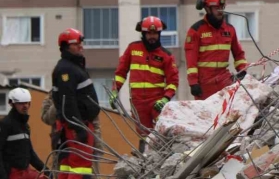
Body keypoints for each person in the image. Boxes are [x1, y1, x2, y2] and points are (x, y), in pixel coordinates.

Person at [110, 16, 178, 148]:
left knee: (163, 131)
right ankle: (145, 160)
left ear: (159, 34)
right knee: (143, 134)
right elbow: (121, 72)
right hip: (138, 101)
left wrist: (165, 98)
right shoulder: (132, 49)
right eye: (149, 33)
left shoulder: (166, 56)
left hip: (157, 101)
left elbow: (173, 81)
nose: (152, 36)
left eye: (155, 33)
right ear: (143, 33)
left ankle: (165, 157)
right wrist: (114, 91)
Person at [52, 28, 100, 179]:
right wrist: (79, 129)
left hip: (72, 125)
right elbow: (68, 102)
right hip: (77, 126)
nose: (81, 46)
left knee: (67, 166)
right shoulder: (66, 69)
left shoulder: (72, 67)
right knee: (81, 167)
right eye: (76, 44)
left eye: (81, 43)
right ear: (66, 46)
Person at [185, 0, 248, 100]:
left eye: (222, 7)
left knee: (227, 115)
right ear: (208, 9)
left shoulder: (230, 29)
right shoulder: (196, 30)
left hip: (224, 81)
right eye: (216, 8)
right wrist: (193, 82)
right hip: (205, 84)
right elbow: (191, 60)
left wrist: (242, 70)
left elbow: (239, 54)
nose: (220, 11)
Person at [0, 88, 47, 179]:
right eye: (20, 103)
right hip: (12, 173)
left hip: (26, 172)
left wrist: (46, 169)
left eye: (27, 103)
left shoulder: (25, 126)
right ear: (12, 103)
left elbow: (30, 153)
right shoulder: (5, 124)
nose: (25, 106)